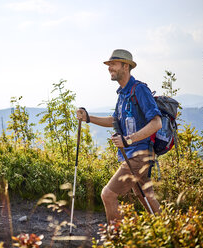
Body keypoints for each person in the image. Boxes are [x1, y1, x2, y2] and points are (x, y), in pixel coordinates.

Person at [76, 49, 162, 223]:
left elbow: (156, 123)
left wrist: (128, 140)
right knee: (144, 194)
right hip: (133, 154)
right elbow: (115, 121)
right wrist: (88, 118)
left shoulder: (140, 90)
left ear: (126, 66)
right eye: (109, 65)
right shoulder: (122, 94)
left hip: (139, 154)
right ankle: (168, 232)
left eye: (113, 64)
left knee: (108, 194)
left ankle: (115, 238)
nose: (109, 68)